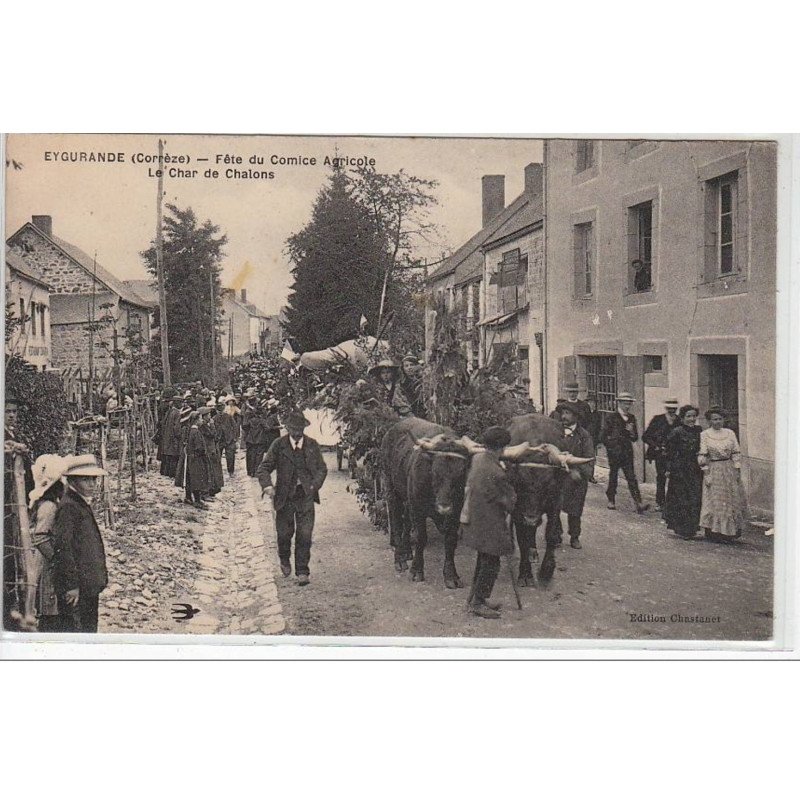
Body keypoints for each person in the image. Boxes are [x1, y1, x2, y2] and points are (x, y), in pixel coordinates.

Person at [256, 410, 328, 586]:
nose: (296, 433)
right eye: (293, 429)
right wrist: (267, 486)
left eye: (300, 429)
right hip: (284, 497)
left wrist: (313, 485)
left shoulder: (312, 445)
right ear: (287, 428)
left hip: (305, 496)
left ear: (304, 428)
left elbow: (322, 469)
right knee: (284, 534)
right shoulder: (278, 445)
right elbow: (264, 468)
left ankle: (302, 570)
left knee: (305, 534)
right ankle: (284, 558)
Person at [460, 425, 517, 619]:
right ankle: (478, 602)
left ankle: (476, 598)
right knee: (492, 563)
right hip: (490, 522)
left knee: (483, 561)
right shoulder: (497, 471)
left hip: (475, 519)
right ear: (501, 448)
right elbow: (508, 501)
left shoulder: (477, 459)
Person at [52, 455, 109, 633]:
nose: (92, 484)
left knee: (89, 627)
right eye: (86, 479)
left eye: (94, 479)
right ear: (72, 481)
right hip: (79, 588)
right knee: (79, 630)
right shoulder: (69, 506)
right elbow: (63, 548)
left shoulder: (79, 503)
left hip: (88, 584)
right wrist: (71, 586)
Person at [29, 454, 68, 632]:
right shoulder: (49, 507)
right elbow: (40, 536)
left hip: (46, 556)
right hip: (46, 559)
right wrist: (55, 558)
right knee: (48, 597)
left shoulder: (50, 504)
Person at [698, 407, 748, 543]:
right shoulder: (705, 434)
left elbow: (736, 452)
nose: (718, 422)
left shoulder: (730, 433)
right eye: (714, 419)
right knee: (716, 501)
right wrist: (706, 472)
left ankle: (730, 532)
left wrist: (737, 469)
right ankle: (715, 532)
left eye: (720, 419)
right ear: (709, 421)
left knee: (731, 499)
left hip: (729, 469)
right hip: (714, 469)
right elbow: (703, 455)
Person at [602, 391, 649, 513]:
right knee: (613, 476)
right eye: (625, 403)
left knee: (631, 477)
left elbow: (635, 438)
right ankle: (611, 499)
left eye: (629, 404)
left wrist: (631, 431)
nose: (627, 406)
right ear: (619, 403)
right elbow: (602, 436)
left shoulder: (631, 418)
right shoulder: (611, 417)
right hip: (614, 452)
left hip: (627, 452)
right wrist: (611, 447)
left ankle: (638, 502)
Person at [557, 403, 595, 549]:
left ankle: (574, 536)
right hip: (558, 476)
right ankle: (556, 534)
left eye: (567, 413)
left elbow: (590, 458)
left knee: (575, 509)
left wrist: (579, 472)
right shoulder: (556, 432)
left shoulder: (584, 436)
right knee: (554, 506)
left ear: (576, 417)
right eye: (563, 413)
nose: (564, 416)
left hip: (576, 479)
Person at [663, 405, 703, 539]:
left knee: (694, 497)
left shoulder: (699, 431)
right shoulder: (676, 432)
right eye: (688, 416)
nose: (692, 419)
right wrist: (669, 468)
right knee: (681, 497)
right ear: (682, 418)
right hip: (679, 469)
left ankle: (692, 527)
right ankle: (683, 528)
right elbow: (668, 452)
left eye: (693, 416)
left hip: (695, 468)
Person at [642, 398, 681, 513]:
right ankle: (660, 502)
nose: (671, 411)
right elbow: (646, 436)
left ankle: (673, 502)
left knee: (675, 477)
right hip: (660, 454)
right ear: (666, 408)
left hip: (675, 454)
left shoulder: (679, 421)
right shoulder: (658, 420)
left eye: (674, 409)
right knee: (661, 477)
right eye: (669, 409)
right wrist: (656, 446)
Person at [216, 396, 240, 476]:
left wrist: (234, 437)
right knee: (217, 456)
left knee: (230, 456)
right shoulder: (214, 418)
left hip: (229, 439)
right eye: (219, 409)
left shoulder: (229, 417)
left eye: (221, 408)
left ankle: (231, 472)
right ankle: (218, 472)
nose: (220, 411)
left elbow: (235, 426)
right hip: (219, 440)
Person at [160, 394, 183, 478]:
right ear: (176, 403)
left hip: (167, 437)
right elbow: (177, 427)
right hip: (173, 438)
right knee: (174, 455)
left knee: (168, 456)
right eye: (180, 402)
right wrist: (180, 435)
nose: (182, 404)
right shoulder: (177, 413)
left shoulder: (169, 412)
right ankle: (172, 474)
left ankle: (166, 473)